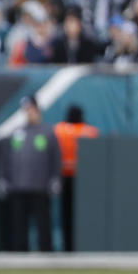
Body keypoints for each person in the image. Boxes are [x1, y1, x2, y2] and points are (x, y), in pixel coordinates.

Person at [0, 95, 61, 252]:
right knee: (18, 224)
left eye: (31, 109)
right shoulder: (17, 133)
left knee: (43, 223)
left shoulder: (48, 133)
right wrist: (2, 178)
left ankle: (46, 251)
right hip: (18, 186)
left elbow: (55, 158)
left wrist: (55, 179)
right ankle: (20, 252)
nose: (29, 113)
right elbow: (5, 157)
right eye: (26, 110)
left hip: (40, 187)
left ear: (38, 111)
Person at [53, 105, 99, 252]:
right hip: (83, 179)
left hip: (64, 177)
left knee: (66, 215)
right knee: (84, 215)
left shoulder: (59, 130)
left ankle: (68, 247)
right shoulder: (89, 131)